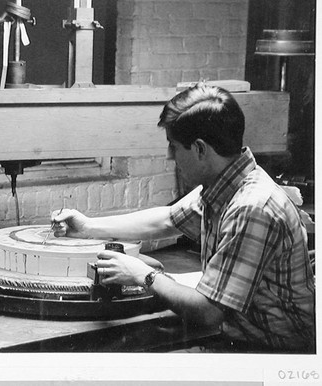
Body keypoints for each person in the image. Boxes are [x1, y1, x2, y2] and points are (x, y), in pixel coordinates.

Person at [52, 83, 315, 353]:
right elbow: (166, 220)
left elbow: (207, 312)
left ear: (200, 149)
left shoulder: (252, 207)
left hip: (272, 354)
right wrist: (87, 226)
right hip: (241, 337)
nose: (169, 156)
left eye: (174, 147)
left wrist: (144, 275)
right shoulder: (225, 183)